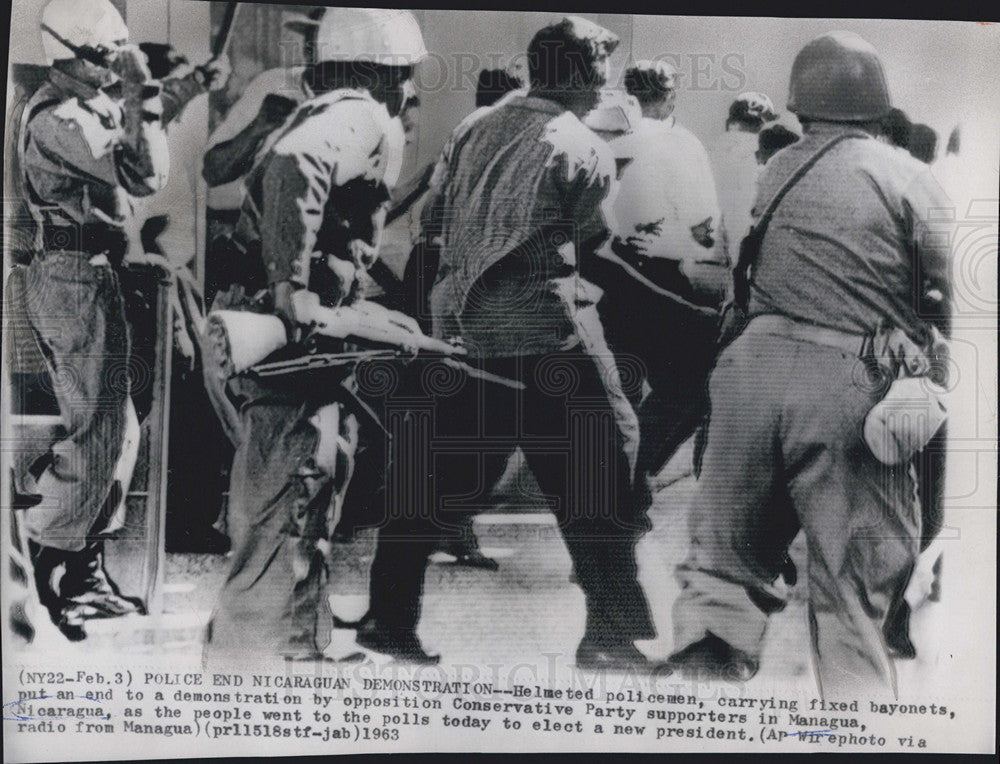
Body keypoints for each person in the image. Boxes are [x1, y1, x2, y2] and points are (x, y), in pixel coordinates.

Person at [355, 16, 655, 669]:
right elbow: (592, 238)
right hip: (543, 326)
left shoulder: (473, 126)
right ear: (581, 75)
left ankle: (389, 619)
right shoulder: (584, 146)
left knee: (428, 483)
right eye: (600, 69)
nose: (604, 81)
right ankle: (609, 634)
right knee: (601, 467)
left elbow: (433, 218)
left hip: (459, 329)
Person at [667, 31, 953, 699]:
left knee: (721, 578)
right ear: (877, 104)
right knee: (850, 593)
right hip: (845, 381)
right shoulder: (906, 175)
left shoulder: (779, 169)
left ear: (800, 102)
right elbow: (956, 284)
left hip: (749, 378)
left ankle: (691, 715)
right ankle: (858, 733)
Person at [203, 8, 429, 662]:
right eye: (404, 76)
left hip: (306, 335)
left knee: (313, 489)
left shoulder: (324, 108)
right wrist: (291, 285)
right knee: (282, 503)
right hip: (285, 334)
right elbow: (296, 164)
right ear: (383, 73)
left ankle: (296, 651)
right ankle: (252, 675)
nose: (408, 93)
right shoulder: (355, 114)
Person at [12, 0, 226, 642]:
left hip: (94, 274)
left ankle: (82, 569)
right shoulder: (60, 117)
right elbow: (144, 168)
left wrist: (184, 88)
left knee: (118, 427)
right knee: (98, 426)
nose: (116, 66)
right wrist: (143, 90)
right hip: (71, 275)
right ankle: (46, 561)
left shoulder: (86, 106)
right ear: (72, 56)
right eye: (107, 56)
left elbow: (133, 139)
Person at [593, 61, 728, 486]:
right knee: (691, 386)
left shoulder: (604, 139)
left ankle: (607, 470)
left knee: (619, 388)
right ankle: (629, 478)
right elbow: (702, 226)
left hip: (598, 270)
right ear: (671, 97)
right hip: (659, 278)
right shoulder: (680, 143)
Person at [711, 91, 778, 258]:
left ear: (729, 122)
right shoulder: (761, 160)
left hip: (692, 261)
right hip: (734, 263)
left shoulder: (705, 154)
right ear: (763, 126)